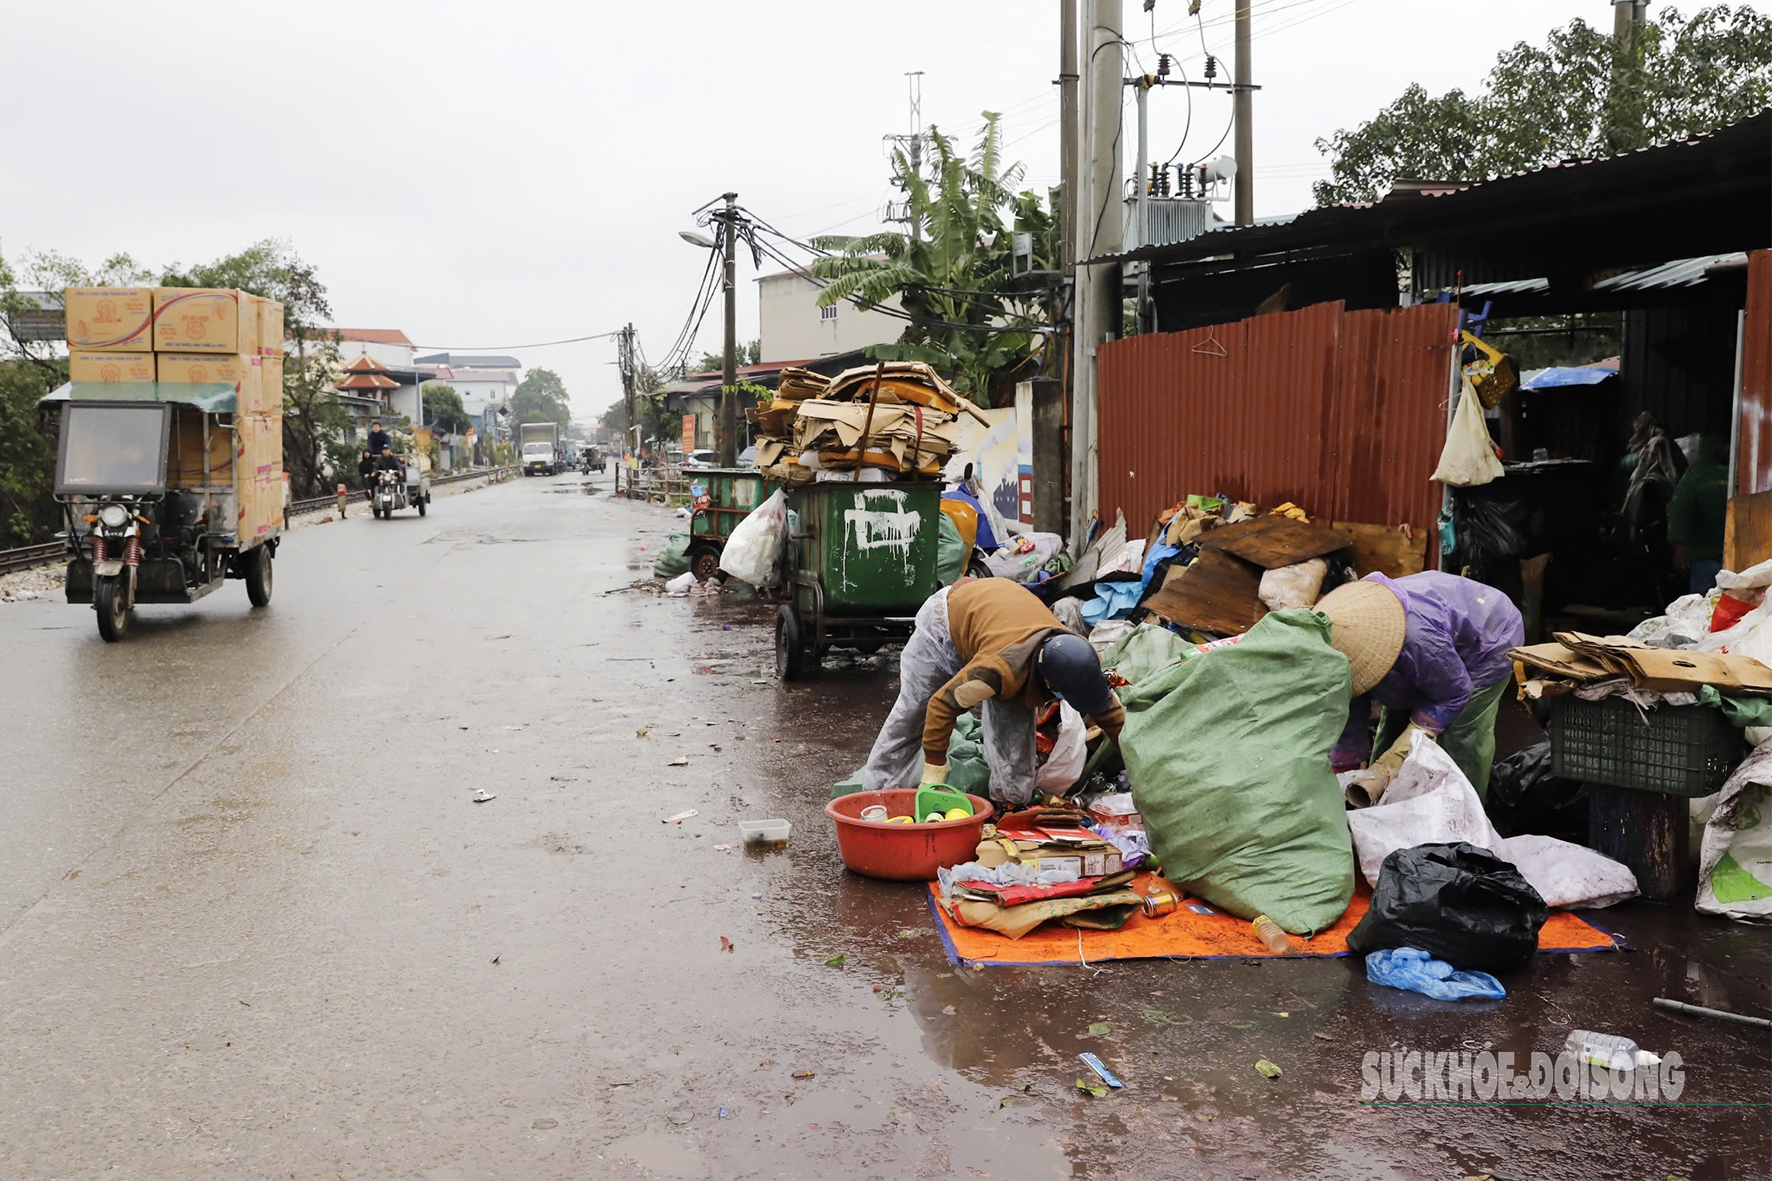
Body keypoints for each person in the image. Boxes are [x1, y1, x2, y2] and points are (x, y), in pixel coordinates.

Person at [861, 578, 1124, 811]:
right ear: (1046, 679)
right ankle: (879, 794)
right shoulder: (997, 671)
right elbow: (942, 706)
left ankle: (1010, 802)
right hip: (947, 619)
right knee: (913, 714)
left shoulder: (1080, 660)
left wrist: (1134, 766)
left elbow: (1110, 715)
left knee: (1016, 728)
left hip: (1002, 623)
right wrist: (933, 772)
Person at [1318, 571, 1524, 803]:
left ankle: (1465, 813)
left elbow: (1453, 692)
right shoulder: (1338, 640)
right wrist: (1346, 769)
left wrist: (1400, 753)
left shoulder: (1419, 639)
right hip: (1430, 642)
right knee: (1393, 725)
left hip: (1488, 638)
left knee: (1460, 734)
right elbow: (1351, 704)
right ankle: (1381, 802)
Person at [1667, 435, 1729, 595]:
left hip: (1709, 557)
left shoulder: (1695, 477)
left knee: (1705, 607)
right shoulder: (1741, 475)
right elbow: (1680, 510)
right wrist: (1680, 545)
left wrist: (1679, 545)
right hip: (1712, 557)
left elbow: (1679, 509)